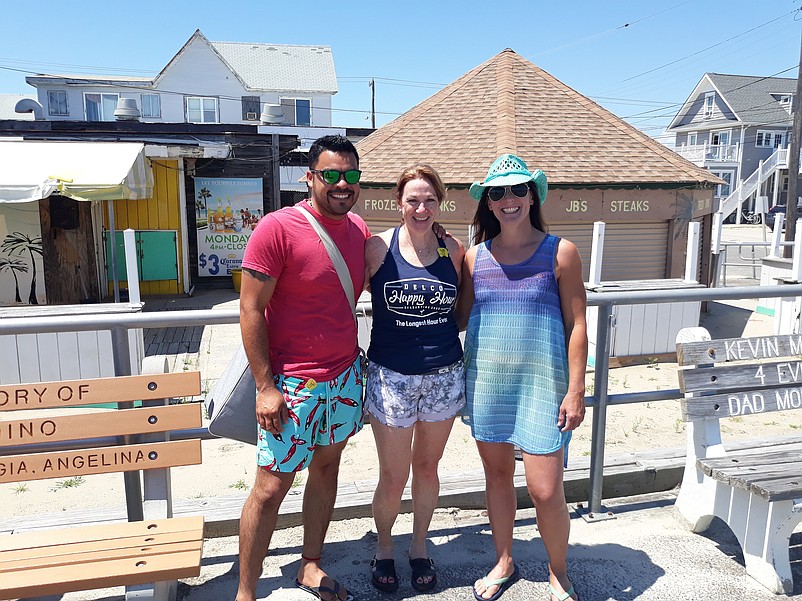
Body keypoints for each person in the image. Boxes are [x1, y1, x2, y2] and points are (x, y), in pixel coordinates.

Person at [235, 134, 369, 601]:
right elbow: (250, 309)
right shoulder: (277, 228)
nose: (341, 184)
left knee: (327, 471)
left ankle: (309, 564)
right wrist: (264, 386)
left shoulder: (358, 231)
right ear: (308, 177)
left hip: (344, 377)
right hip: (291, 385)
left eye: (350, 175)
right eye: (330, 174)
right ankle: (246, 592)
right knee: (270, 489)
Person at [456, 154, 587, 601]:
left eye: (517, 189)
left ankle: (558, 571)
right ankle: (504, 561)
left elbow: (578, 326)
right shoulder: (473, 256)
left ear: (533, 195)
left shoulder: (561, 251)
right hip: (489, 383)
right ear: (487, 203)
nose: (508, 199)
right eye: (498, 192)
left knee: (546, 490)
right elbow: (459, 316)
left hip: (543, 386)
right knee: (496, 477)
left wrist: (576, 388)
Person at [363, 164, 466, 593]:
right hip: (392, 377)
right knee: (393, 474)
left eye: (429, 200)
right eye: (412, 200)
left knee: (427, 468)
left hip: (444, 374)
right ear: (398, 203)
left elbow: (461, 312)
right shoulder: (376, 249)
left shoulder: (454, 249)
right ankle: (384, 547)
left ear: (439, 203)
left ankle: (419, 547)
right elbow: (343, 296)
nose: (421, 208)